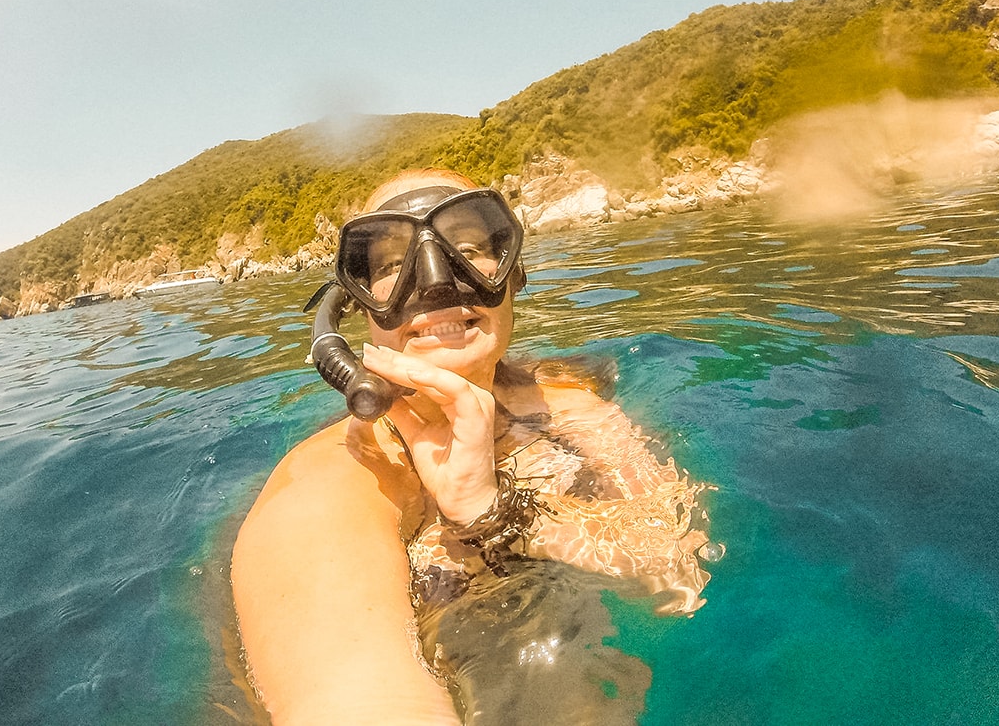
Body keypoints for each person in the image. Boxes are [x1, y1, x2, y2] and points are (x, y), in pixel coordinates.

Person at [231, 168, 713, 724]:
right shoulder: (331, 485)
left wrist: (497, 516)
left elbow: (678, 574)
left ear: (513, 274)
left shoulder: (568, 400)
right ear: (353, 309)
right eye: (391, 265)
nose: (435, 283)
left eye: (468, 249)